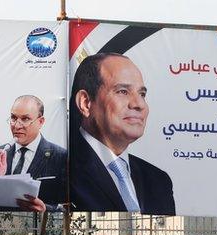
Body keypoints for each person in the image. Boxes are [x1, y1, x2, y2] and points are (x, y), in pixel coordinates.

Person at [70, 53, 174, 215]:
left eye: (142, 94)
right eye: (123, 91)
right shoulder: (60, 171)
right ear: (85, 103)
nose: (139, 104)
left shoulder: (158, 181)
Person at [0, 95, 68, 212]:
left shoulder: (61, 157)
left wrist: (45, 210)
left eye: (25, 119)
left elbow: (69, 207)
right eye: (13, 118)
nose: (16, 125)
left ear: (40, 122)